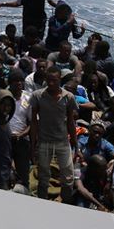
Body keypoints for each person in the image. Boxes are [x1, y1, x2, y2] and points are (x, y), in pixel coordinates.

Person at [31, 67, 77, 202]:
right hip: (44, 141)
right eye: (49, 80)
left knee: (68, 176)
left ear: (60, 80)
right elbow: (33, 122)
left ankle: (66, 203)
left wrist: (75, 142)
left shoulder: (68, 97)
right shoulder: (37, 96)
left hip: (62, 141)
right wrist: (33, 144)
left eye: (54, 80)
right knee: (43, 176)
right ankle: (42, 202)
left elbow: (71, 121)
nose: (51, 83)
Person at [8, 69, 32, 189]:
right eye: (15, 80)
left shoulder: (28, 98)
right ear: (10, 82)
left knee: (23, 175)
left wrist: (21, 135)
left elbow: (32, 123)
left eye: (21, 80)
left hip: (21, 139)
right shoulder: (2, 96)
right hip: (4, 138)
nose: (19, 83)